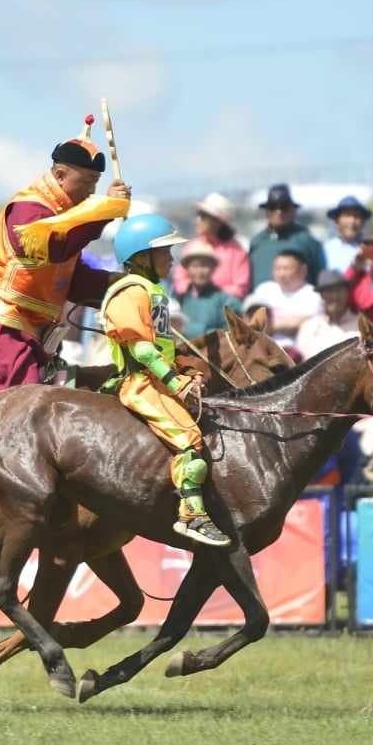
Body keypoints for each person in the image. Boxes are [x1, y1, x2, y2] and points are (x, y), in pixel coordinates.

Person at [0, 124, 130, 398]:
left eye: (95, 183)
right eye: (86, 181)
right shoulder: (29, 207)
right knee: (28, 400)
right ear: (61, 175)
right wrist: (105, 211)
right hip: (1, 318)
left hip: (34, 328)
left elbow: (73, 282)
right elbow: (50, 250)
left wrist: (125, 283)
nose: (91, 190)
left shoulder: (70, 215)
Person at [97, 213, 228, 546]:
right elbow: (141, 350)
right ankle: (192, 516)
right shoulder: (129, 292)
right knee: (189, 440)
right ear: (141, 257)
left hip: (157, 378)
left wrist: (187, 371)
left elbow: (163, 349)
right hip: (141, 384)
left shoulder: (153, 291)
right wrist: (175, 382)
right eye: (164, 253)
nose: (171, 262)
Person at [172, 193, 251, 298]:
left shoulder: (237, 252)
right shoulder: (191, 247)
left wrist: (211, 296)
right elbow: (180, 281)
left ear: (217, 222)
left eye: (203, 216)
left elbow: (240, 288)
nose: (197, 220)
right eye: (198, 215)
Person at [245, 184, 324, 287]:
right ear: (266, 211)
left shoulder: (306, 240)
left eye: (284, 207)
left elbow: (320, 278)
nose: (279, 212)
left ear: (293, 210)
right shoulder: (257, 241)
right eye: (273, 207)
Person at [244, 251, 322, 354]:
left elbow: (306, 324)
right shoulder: (264, 289)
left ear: (303, 270)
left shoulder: (314, 294)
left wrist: (267, 326)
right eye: (277, 268)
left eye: (286, 268)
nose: (281, 273)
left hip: (298, 354)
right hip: (262, 351)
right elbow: (250, 321)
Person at [172, 240, 243, 339]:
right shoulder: (179, 297)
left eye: (205, 266)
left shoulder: (226, 301)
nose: (200, 272)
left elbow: (228, 334)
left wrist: (188, 330)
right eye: (195, 266)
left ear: (213, 268)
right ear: (187, 269)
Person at [296, 269, 359, 358]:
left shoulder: (361, 326)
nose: (335, 296)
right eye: (329, 291)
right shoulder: (309, 328)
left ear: (347, 292)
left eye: (339, 290)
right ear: (321, 295)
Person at [322, 196, 370, 274]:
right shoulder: (326, 250)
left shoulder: (370, 249)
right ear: (336, 221)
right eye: (347, 215)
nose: (352, 221)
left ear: (363, 222)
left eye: (357, 216)